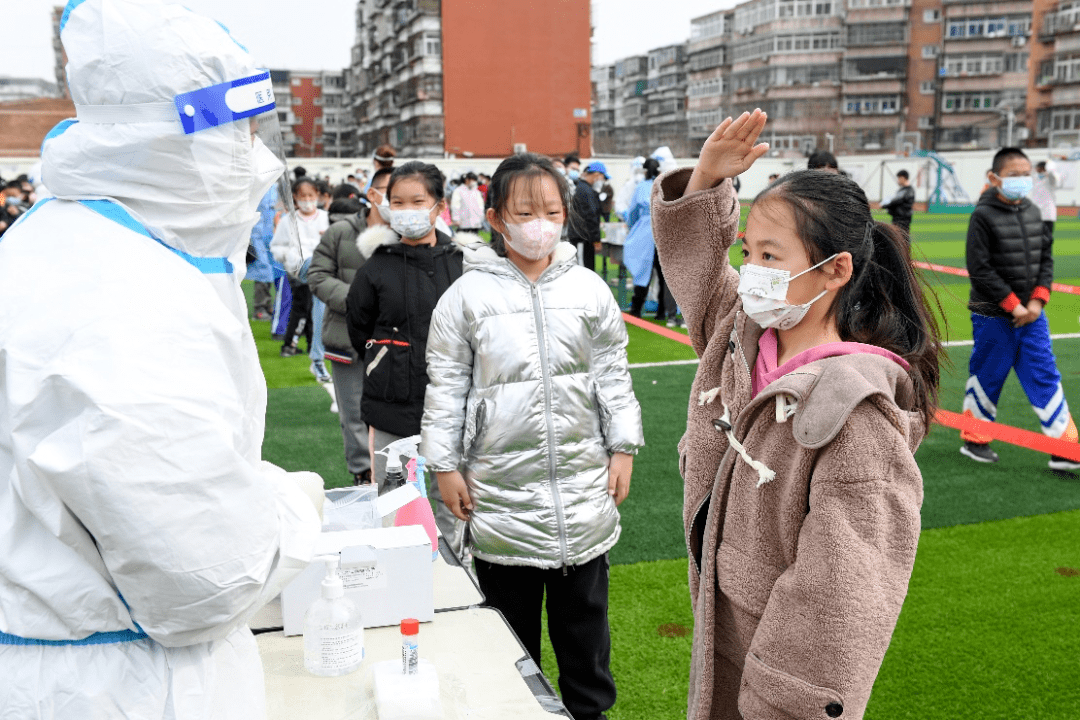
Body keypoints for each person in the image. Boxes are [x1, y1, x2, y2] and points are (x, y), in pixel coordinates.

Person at [0, 1, 324, 716]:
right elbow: (200, 581)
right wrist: (290, 508)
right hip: (124, 685)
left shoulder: (58, 243)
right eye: (234, 128)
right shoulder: (130, 298)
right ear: (173, 133)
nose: (255, 152)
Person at [652, 110, 942, 720]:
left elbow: (842, 601)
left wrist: (781, 703)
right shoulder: (737, 333)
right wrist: (704, 179)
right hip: (721, 627)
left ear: (835, 269)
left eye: (771, 255)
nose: (751, 269)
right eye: (748, 251)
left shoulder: (857, 413)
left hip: (776, 677)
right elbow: (698, 265)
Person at [421, 153, 643, 720]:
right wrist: (444, 465)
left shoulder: (590, 290)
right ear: (496, 218)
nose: (538, 223)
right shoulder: (466, 297)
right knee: (510, 649)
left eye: (550, 210)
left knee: (585, 646)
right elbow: (445, 388)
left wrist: (623, 446)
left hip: (581, 501)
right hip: (500, 499)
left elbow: (613, 375)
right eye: (524, 211)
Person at [345, 161, 466, 541]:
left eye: (418, 201)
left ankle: (454, 576)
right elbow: (359, 328)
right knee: (394, 499)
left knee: (454, 501)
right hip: (391, 403)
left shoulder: (462, 262)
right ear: (386, 208)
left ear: (438, 206)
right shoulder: (376, 267)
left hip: (452, 406)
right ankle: (397, 573)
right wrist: (388, 358)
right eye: (399, 202)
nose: (409, 210)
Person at [959, 147, 1080, 470]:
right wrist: (1014, 306)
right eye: (1014, 175)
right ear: (994, 178)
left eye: (1027, 174)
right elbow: (980, 268)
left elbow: (1046, 260)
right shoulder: (982, 216)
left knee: (1044, 373)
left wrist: (1037, 301)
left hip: (1033, 316)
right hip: (993, 315)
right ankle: (975, 440)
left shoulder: (1034, 211)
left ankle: (1064, 448)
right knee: (988, 375)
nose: (1023, 180)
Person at [309, 173, 386, 486]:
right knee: (353, 412)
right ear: (371, 194)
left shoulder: (414, 235)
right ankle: (363, 473)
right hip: (346, 335)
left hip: (397, 340)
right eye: (388, 192)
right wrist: (357, 301)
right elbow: (317, 276)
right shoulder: (341, 233)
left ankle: (400, 476)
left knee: (398, 411)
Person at [271, 178, 330, 367]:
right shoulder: (288, 221)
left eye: (311, 195)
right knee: (302, 307)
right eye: (302, 196)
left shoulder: (325, 217)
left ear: (318, 196)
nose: (307, 199)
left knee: (320, 309)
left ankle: (316, 345)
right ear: (295, 197)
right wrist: (289, 257)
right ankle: (290, 344)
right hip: (299, 271)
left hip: (323, 270)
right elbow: (277, 247)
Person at [624, 157, 677, 323]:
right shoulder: (665, 187)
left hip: (645, 232)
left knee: (642, 272)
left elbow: (632, 211)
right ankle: (662, 312)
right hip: (664, 233)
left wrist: (633, 226)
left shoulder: (641, 187)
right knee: (663, 276)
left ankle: (636, 310)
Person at [247, 185, 280, 321]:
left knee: (273, 270)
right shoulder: (254, 185)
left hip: (272, 235)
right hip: (257, 235)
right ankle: (260, 308)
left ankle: (268, 306)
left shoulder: (275, 187)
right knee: (262, 271)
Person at [569, 160, 608, 272]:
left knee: (587, 268)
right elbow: (591, 216)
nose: (603, 181)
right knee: (582, 270)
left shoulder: (585, 189)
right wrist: (596, 239)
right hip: (582, 237)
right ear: (597, 175)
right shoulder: (585, 190)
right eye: (603, 178)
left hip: (584, 237)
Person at [1032, 160, 1061, 239]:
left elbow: (1054, 179)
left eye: (1037, 167)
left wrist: (1049, 169)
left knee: (1047, 237)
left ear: (1042, 168)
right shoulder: (1035, 178)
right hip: (1036, 212)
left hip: (1047, 213)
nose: (1035, 169)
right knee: (1036, 237)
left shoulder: (1051, 178)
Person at [881, 169, 915, 236]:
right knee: (897, 239)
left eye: (899, 178)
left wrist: (885, 205)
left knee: (903, 239)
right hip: (897, 218)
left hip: (903, 219)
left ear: (903, 178)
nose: (898, 180)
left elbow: (898, 201)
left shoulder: (909, 191)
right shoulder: (902, 190)